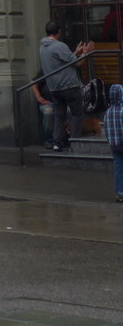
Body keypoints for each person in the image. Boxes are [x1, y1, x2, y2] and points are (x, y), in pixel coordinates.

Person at [39, 20, 94, 151]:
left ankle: (57, 142)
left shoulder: (43, 46)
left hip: (54, 87)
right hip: (69, 86)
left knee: (59, 115)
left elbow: (62, 61)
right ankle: (74, 141)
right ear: (59, 32)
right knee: (77, 113)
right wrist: (86, 53)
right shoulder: (59, 45)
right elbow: (77, 64)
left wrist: (75, 52)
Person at [104, 83, 123, 203]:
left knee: (118, 168)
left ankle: (120, 193)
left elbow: (105, 128)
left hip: (115, 145)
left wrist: (111, 141)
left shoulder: (108, 112)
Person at [30, 68, 54, 147]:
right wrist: (39, 97)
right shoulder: (47, 68)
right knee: (48, 112)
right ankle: (49, 140)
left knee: (69, 111)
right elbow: (34, 82)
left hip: (62, 102)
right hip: (48, 102)